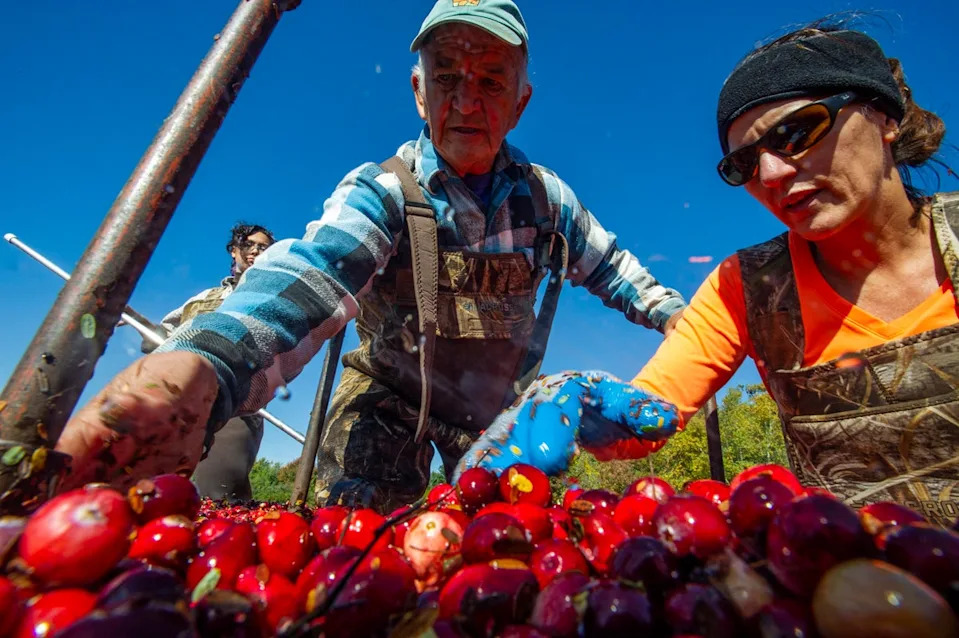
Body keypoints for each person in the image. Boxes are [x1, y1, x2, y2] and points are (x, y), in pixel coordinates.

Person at [54, 0, 685, 512]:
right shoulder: (384, 191)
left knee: (515, 538)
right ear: (418, 92)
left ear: (520, 103)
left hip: (499, 407)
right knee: (353, 534)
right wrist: (206, 367)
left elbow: (616, 269)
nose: (466, 102)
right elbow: (310, 276)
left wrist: (678, 320)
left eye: (492, 81)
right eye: (447, 79)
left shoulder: (551, 203)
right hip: (387, 395)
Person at [459, 20, 959, 526]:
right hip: (840, 587)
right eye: (743, 164)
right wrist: (578, 404)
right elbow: (649, 411)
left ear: (882, 116)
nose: (771, 175)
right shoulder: (746, 286)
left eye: (798, 132)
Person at [140, 223, 275, 500]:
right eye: (250, 245)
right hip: (178, 400)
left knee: (218, 494)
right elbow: (163, 337)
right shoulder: (202, 300)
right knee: (149, 487)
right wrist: (140, 323)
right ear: (234, 251)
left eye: (264, 248)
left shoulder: (275, 296)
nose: (256, 252)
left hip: (237, 407)